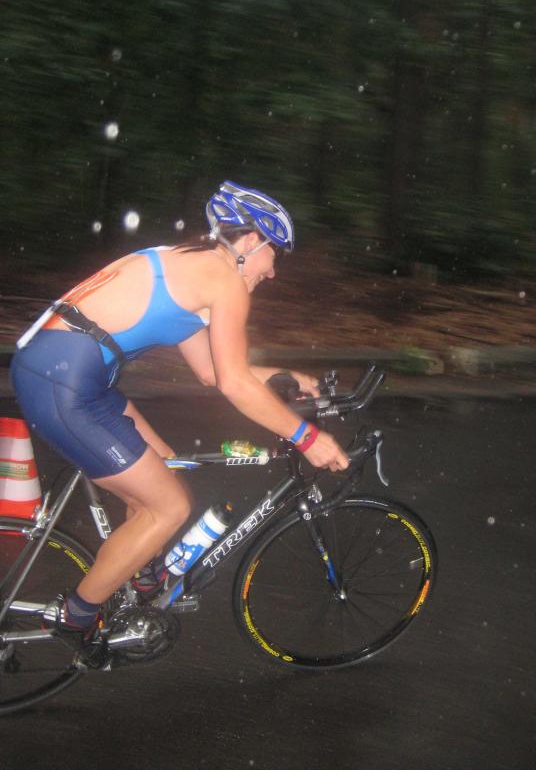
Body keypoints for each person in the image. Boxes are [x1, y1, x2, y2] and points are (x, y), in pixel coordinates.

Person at [10, 180, 349, 639]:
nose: (273, 272)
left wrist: (285, 375)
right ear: (251, 241)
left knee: (164, 464)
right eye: (276, 256)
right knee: (169, 507)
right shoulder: (224, 279)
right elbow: (233, 383)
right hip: (64, 381)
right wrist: (307, 438)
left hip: (66, 371)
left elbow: (212, 370)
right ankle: (77, 616)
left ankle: (139, 572)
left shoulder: (191, 264)